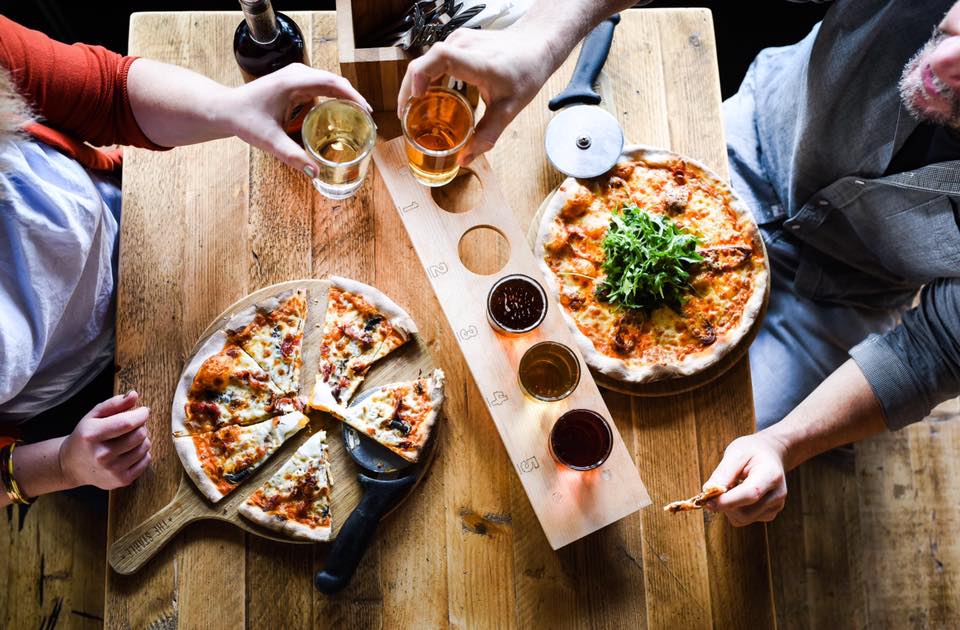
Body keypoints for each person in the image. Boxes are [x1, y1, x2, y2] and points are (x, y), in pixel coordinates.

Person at [399, 0, 960, 526]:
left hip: (845, 291)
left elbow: (933, 350)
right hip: (746, 147)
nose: (951, 57)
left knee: (700, 456)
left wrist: (780, 445)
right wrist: (542, 39)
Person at [0, 16, 370, 507]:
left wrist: (231, 108)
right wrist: (62, 465)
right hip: (72, 418)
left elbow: (109, 93)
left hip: (144, 235)